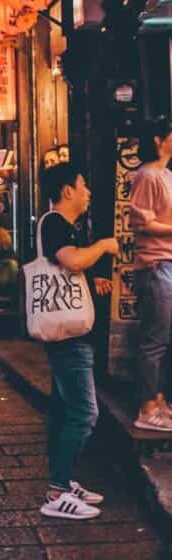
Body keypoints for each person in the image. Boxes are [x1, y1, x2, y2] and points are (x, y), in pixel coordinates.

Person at [38, 162, 118, 520]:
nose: (88, 192)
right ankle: (57, 493)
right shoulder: (55, 222)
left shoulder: (62, 225)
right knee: (85, 413)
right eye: (83, 186)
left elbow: (70, 270)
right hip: (68, 336)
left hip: (70, 333)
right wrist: (102, 246)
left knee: (64, 411)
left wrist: (91, 281)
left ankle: (64, 481)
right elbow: (70, 261)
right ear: (67, 191)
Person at [129, 116, 172, 431]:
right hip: (155, 264)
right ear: (159, 139)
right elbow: (141, 222)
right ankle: (146, 407)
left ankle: (159, 400)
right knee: (155, 338)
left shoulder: (165, 175)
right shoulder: (146, 175)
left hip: (167, 262)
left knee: (163, 336)